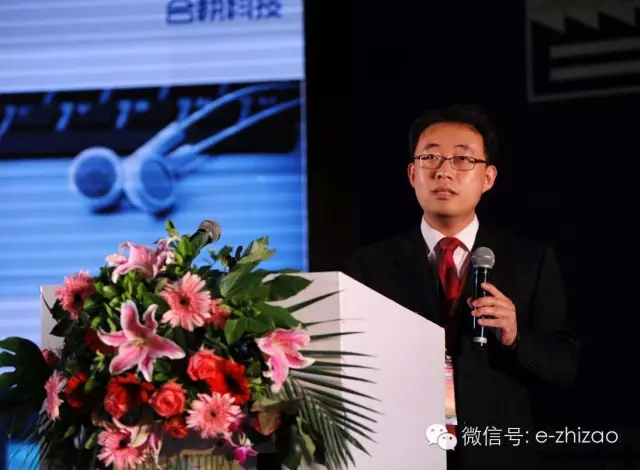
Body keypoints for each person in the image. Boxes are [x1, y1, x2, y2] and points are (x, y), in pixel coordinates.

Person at [342, 105, 580, 470]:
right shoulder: (368, 266)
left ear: (488, 177)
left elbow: (564, 366)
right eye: (431, 158)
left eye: (463, 159)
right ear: (412, 174)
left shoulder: (531, 260)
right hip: (403, 452)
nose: (444, 171)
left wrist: (516, 337)